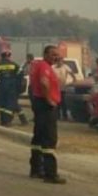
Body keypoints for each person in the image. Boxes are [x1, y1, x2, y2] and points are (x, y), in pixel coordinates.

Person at [29, 44, 66, 184]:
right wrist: (49, 100)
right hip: (45, 105)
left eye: (57, 54)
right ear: (45, 54)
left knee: (38, 138)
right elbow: (44, 83)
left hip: (39, 103)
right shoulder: (44, 66)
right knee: (49, 138)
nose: (55, 57)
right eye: (53, 54)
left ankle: (36, 169)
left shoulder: (40, 65)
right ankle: (50, 173)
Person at [0, 51, 28, 127]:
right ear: (8, 57)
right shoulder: (13, 64)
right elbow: (21, 73)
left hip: (3, 86)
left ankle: (4, 120)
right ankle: (8, 121)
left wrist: (3, 78)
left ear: (2, 57)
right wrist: (16, 81)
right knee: (11, 103)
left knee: (3, 104)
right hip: (12, 87)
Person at [52, 57, 76, 121]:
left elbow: (72, 74)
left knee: (62, 102)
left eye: (61, 61)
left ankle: (64, 116)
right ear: (56, 62)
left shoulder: (65, 67)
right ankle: (57, 115)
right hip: (54, 87)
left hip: (62, 87)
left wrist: (74, 80)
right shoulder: (53, 67)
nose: (60, 62)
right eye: (58, 61)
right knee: (56, 101)